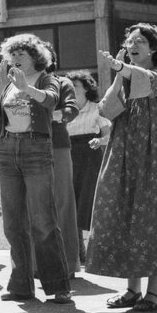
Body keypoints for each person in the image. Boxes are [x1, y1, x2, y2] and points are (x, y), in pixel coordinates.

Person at [88, 23, 157, 312]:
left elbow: (144, 79)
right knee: (124, 213)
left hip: (156, 159)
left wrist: (123, 68)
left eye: (140, 41)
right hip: (123, 157)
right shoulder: (127, 75)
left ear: (153, 48)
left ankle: (153, 293)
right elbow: (107, 110)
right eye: (130, 40)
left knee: (153, 217)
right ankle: (132, 289)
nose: (133, 45)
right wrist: (118, 76)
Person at [0, 33, 71, 303]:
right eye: (13, 54)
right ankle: (20, 285)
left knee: (43, 221)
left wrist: (27, 88)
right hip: (7, 150)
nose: (16, 58)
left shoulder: (45, 78)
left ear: (35, 57)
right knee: (13, 224)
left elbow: (52, 100)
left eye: (22, 54)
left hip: (36, 149)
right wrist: (0, 85)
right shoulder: (7, 83)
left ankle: (58, 286)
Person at [41, 45, 81, 276]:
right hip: (25, 149)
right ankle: (36, 264)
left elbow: (71, 109)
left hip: (57, 147)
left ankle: (67, 263)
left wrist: (56, 115)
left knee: (63, 204)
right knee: (31, 206)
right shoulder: (17, 85)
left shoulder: (62, 82)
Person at [65, 70, 111, 263]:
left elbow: (111, 134)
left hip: (91, 159)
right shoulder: (64, 109)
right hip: (67, 156)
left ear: (86, 88)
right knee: (70, 201)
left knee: (90, 201)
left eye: (74, 85)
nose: (70, 88)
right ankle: (78, 250)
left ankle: (99, 250)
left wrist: (99, 141)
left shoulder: (96, 108)